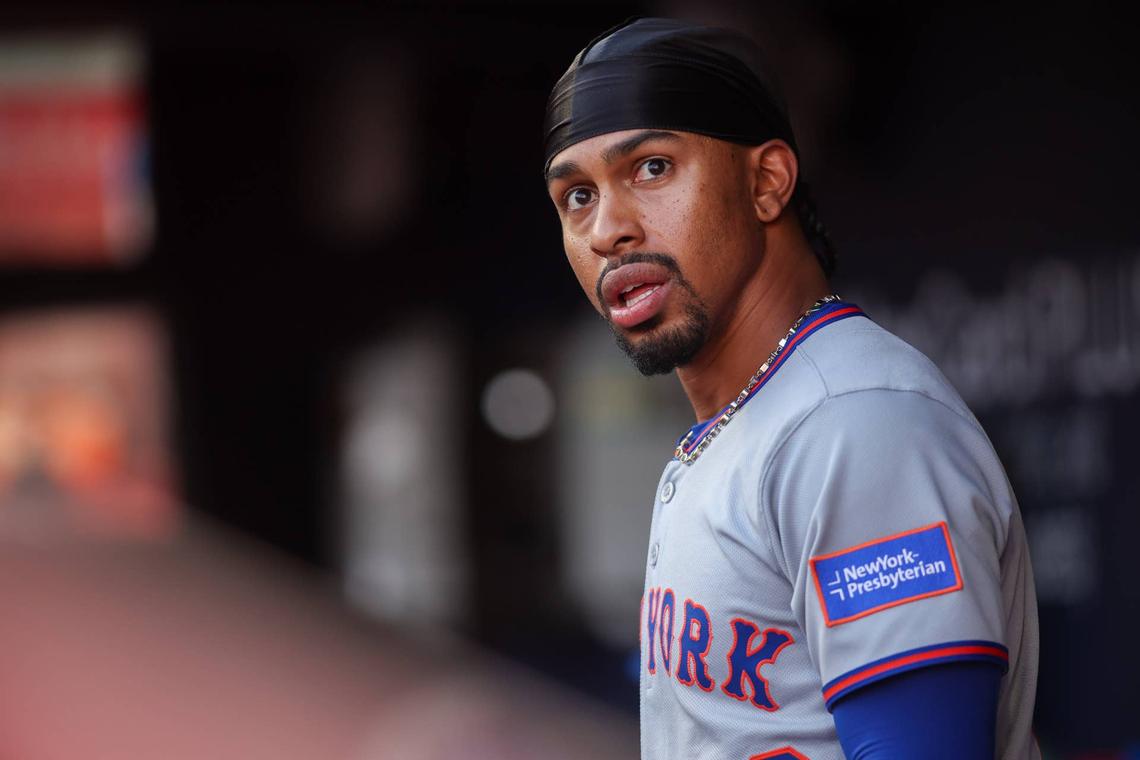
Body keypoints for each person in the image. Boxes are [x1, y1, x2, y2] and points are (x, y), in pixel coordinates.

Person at [542, 17, 1038, 760]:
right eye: (577, 196)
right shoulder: (756, 423)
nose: (608, 228)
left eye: (650, 168)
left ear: (766, 181)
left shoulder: (854, 425)